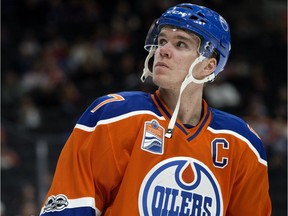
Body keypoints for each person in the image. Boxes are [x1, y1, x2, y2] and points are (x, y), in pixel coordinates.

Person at [40, 3, 272, 216]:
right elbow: (71, 206)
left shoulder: (243, 144)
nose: (164, 50)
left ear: (208, 66)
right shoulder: (114, 116)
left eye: (180, 43)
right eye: (162, 41)